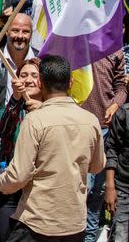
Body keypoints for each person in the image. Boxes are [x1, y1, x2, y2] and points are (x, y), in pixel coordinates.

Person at [0, 55, 106, 242]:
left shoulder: (35, 120)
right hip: (74, 224)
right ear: (71, 82)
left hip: (38, 224)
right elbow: (97, 166)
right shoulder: (91, 120)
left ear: (41, 82)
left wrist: (0, 181)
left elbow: (18, 176)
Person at [0, 59, 44, 242]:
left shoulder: (50, 111)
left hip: (36, 192)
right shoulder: (13, 109)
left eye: (34, 76)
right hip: (8, 188)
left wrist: (43, 111)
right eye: (23, 75)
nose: (28, 80)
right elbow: (2, 128)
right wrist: (15, 98)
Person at [81, 51, 126, 242]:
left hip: (105, 129)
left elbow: (121, 86)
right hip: (77, 129)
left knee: (96, 193)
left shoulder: (115, 51)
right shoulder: (75, 40)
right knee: (79, 188)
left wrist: (115, 105)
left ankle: (90, 237)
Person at [105, 97, 129, 241]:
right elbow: (112, 149)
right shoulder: (124, 113)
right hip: (123, 189)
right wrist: (109, 186)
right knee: (120, 235)